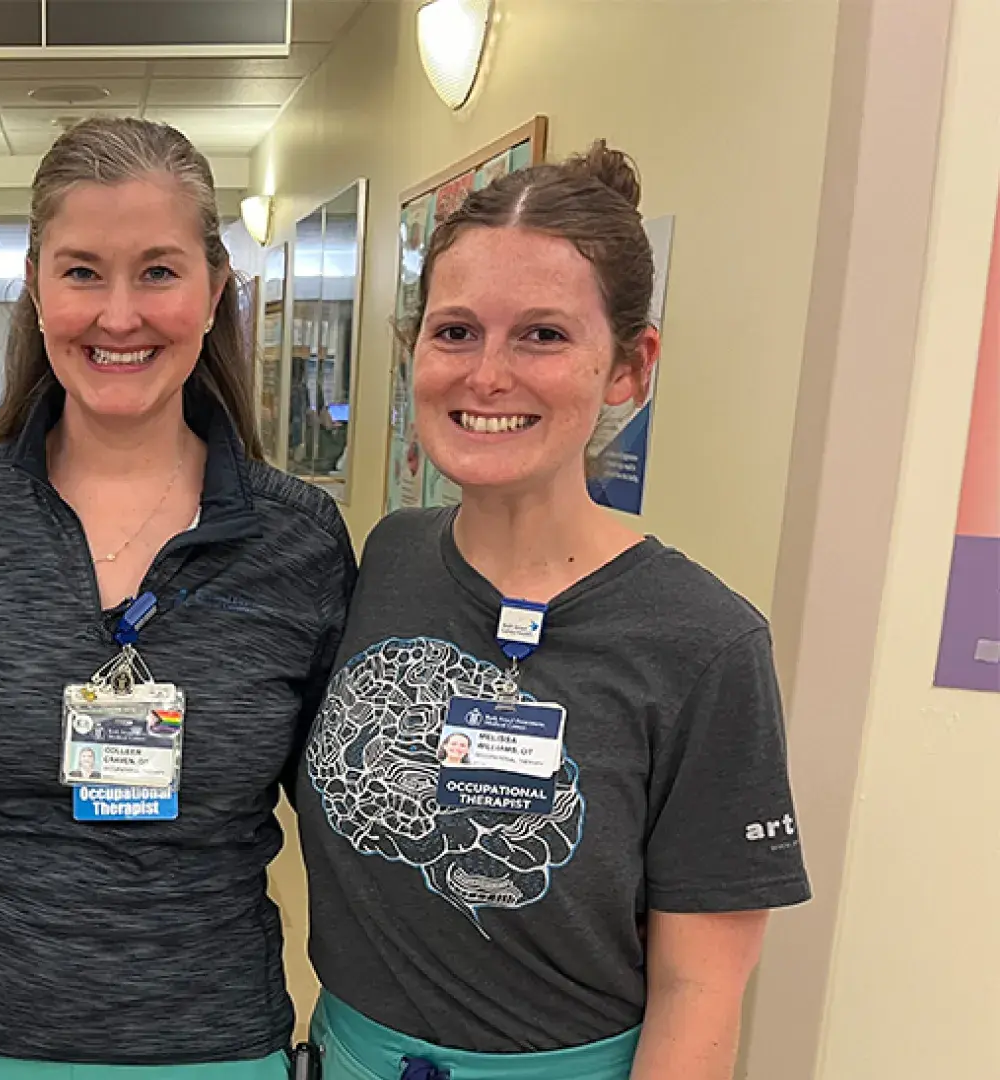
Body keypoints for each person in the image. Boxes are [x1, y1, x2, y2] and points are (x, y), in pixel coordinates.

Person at [295, 141, 811, 1080]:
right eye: (455, 331)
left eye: (542, 334)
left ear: (629, 366)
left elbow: (702, 992)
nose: (487, 374)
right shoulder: (391, 559)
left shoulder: (704, 644)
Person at [0, 117, 356, 1078]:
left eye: (159, 271)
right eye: (82, 271)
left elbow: (335, 810)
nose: (118, 314)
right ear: (37, 293)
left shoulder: (296, 539)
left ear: (215, 291)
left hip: (207, 1039)